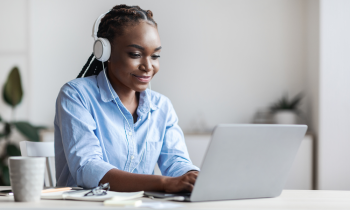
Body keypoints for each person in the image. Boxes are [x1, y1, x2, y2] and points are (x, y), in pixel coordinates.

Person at [54, 4, 199, 192]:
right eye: (136, 54)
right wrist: (163, 183)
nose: (148, 66)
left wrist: (194, 177)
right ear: (105, 52)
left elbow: (177, 163)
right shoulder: (76, 95)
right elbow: (88, 168)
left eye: (155, 56)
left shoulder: (161, 106)